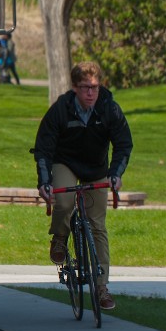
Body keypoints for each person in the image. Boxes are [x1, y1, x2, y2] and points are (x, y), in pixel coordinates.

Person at [34, 61, 133, 312]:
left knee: (97, 224)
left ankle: (101, 288)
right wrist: (44, 181)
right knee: (64, 202)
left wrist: (116, 174)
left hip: (96, 168)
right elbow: (44, 147)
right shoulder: (61, 109)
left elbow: (123, 144)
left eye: (95, 87)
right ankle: (59, 236)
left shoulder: (109, 109)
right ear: (75, 88)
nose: (91, 93)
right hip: (64, 162)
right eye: (85, 87)